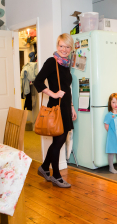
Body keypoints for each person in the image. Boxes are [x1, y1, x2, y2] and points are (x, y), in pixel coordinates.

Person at [34, 33, 77, 188]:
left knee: (58, 141)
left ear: (71, 48)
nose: (64, 49)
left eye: (67, 47)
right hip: (56, 106)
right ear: (57, 45)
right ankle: (56, 176)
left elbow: (67, 88)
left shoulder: (66, 64)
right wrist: (52, 93)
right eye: (61, 46)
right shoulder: (52, 62)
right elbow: (38, 81)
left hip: (65, 106)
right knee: (58, 141)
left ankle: (45, 167)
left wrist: (71, 106)